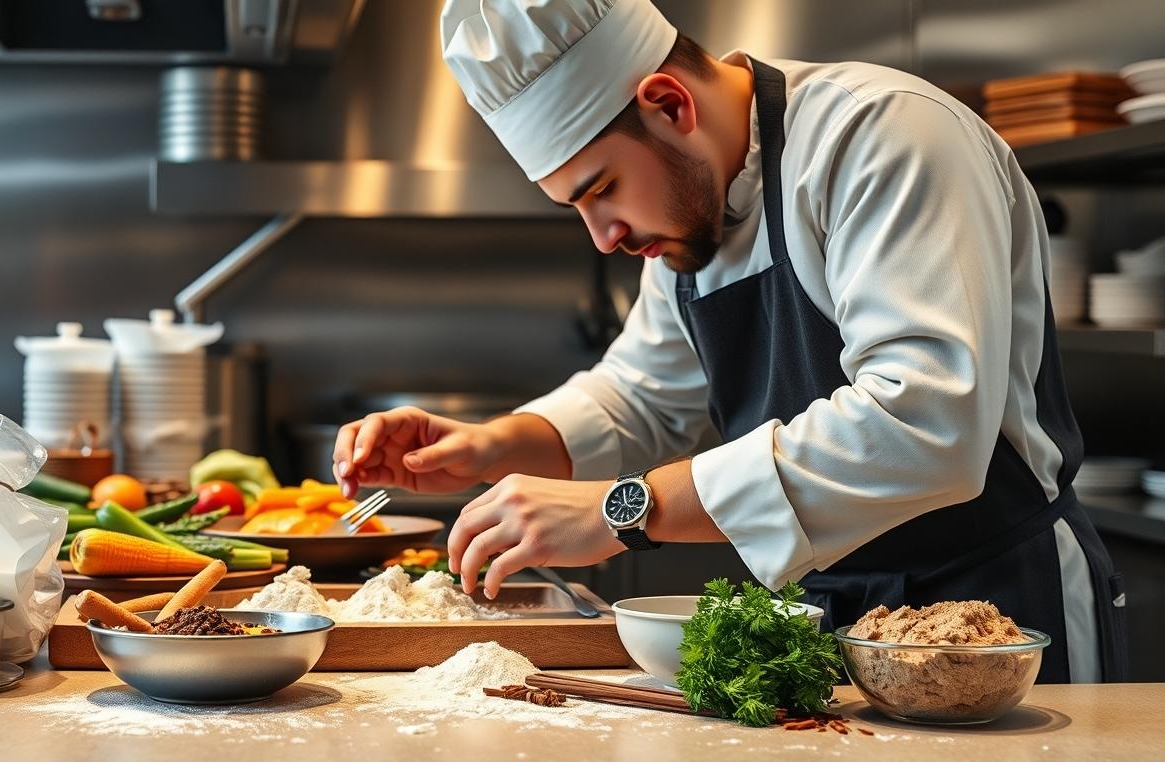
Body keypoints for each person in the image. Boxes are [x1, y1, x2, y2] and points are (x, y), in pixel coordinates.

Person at [332, 0, 1126, 684]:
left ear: (668, 103)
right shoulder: (687, 207)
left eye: (600, 189)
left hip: (1002, 614)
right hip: (830, 623)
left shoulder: (882, 137)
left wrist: (624, 510)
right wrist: (490, 446)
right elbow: (639, 395)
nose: (603, 236)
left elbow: (924, 423)